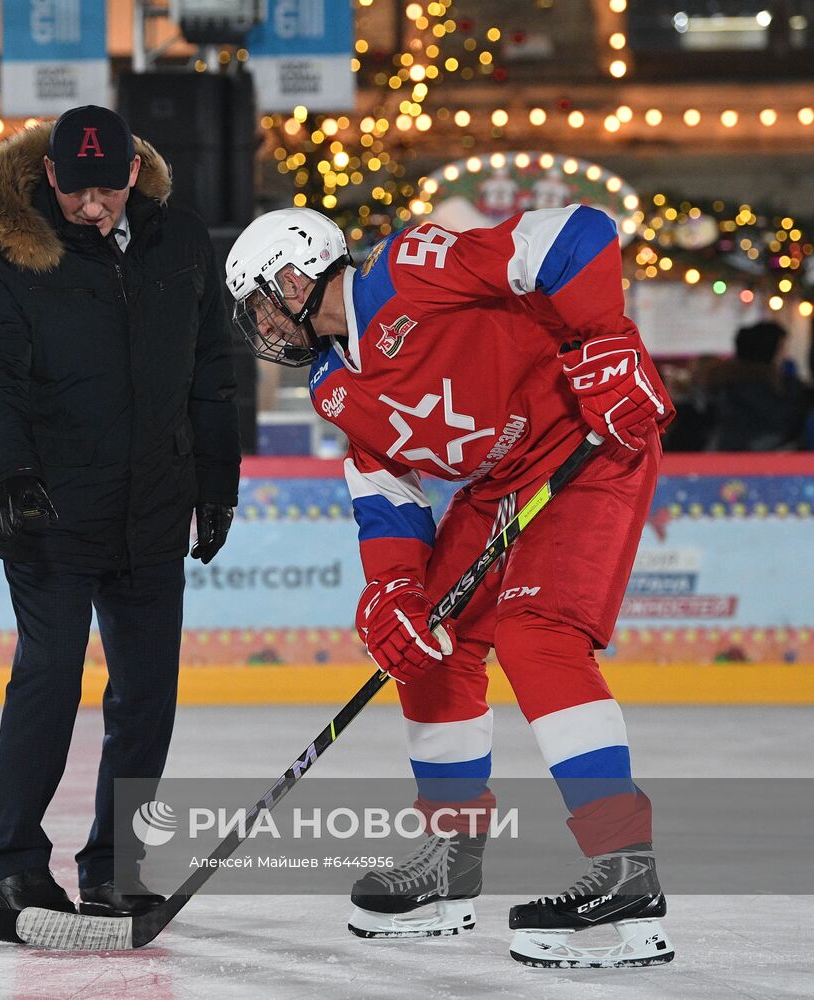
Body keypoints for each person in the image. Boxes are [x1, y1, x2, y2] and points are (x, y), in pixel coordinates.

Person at [224, 205, 675, 968]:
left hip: (586, 444)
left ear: (298, 275)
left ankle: (625, 868)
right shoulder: (334, 384)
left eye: (262, 301)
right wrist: (394, 589)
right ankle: (450, 858)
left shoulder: (410, 268)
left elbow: (573, 235)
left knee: (538, 634)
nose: (262, 325)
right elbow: (385, 489)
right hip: (500, 485)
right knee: (424, 640)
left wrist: (602, 343)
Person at [0, 106, 241, 917]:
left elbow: (210, 372)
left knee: (146, 692)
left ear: (130, 176)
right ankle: (15, 860)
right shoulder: (6, 256)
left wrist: (217, 483)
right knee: (47, 679)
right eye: (76, 191)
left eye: (106, 191)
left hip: (154, 504)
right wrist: (7, 477)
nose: (91, 208)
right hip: (52, 511)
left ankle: (116, 863)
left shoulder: (177, 238)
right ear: (49, 177)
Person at [703, 321, 808, 451]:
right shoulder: (781, 389)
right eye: (782, 349)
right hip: (767, 462)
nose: (786, 355)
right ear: (768, 350)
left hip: (722, 459)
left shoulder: (720, 384)